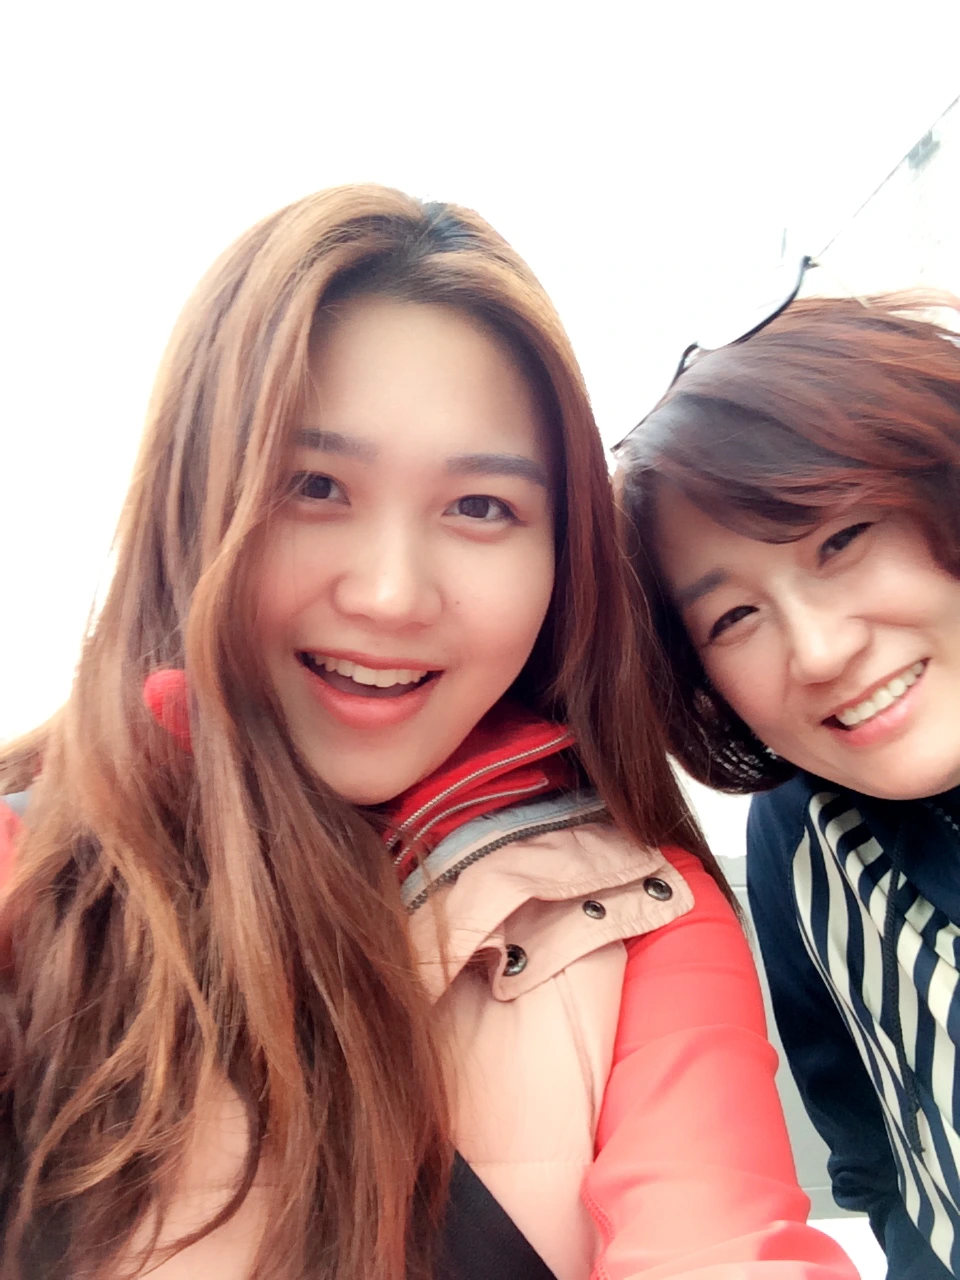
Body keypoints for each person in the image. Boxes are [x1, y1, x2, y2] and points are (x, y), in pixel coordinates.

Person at [0, 187, 853, 1280]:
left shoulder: (641, 918)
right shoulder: (36, 878)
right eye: (313, 486)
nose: (393, 594)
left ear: (562, 561)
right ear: (193, 503)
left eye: (480, 507)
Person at [617, 289, 960, 1280]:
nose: (818, 651)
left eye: (840, 540)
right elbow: (875, 1154)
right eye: (732, 618)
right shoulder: (802, 836)